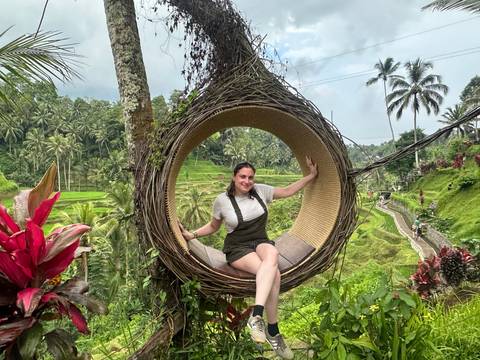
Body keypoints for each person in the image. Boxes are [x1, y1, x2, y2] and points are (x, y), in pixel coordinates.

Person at [179, 157, 318, 359]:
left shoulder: (261, 191)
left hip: (260, 241)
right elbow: (213, 226)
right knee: (274, 274)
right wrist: (192, 235)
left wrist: (312, 176)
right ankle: (273, 331)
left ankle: (256, 316)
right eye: (242, 176)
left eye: (250, 177)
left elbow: (288, 191)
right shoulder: (222, 201)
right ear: (234, 177)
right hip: (237, 248)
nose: (247, 181)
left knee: (273, 254)